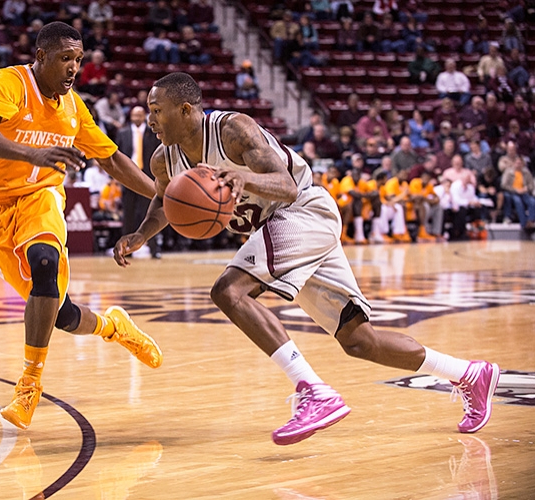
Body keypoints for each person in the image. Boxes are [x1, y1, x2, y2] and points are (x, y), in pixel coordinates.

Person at [114, 72, 500, 445]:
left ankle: (314, 391)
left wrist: (242, 178)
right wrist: (140, 235)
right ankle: (469, 373)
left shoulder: (233, 130)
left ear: (185, 110)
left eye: (156, 110)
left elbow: (286, 185)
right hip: (280, 231)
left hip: (302, 211)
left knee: (229, 291)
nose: (150, 120)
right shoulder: (164, 160)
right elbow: (165, 202)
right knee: (359, 340)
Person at [0, 22, 163, 431]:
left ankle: (28, 385)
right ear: (41, 57)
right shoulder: (11, 82)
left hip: (41, 197)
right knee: (61, 314)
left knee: (45, 261)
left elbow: (111, 159)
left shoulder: (74, 105)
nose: (74, 68)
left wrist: (164, 193)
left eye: (79, 60)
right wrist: (32, 153)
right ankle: (113, 327)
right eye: (66, 59)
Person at [115, 106, 162, 258]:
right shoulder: (123, 133)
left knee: (150, 213)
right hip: (127, 178)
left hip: (147, 178)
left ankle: (154, 250)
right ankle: (126, 250)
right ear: (131, 116)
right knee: (127, 215)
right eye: (134, 115)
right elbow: (116, 157)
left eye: (140, 115)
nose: (137, 117)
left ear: (144, 117)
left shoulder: (153, 133)